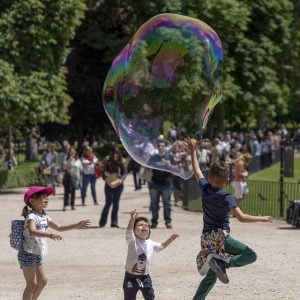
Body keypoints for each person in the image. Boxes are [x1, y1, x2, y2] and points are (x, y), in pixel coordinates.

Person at [184, 137, 272, 300]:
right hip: (221, 238)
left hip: (206, 238)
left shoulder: (205, 188)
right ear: (227, 181)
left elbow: (197, 170)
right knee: (251, 255)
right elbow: (241, 217)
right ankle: (224, 263)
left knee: (211, 276)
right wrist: (261, 218)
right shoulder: (226, 196)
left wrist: (193, 152)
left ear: (209, 177)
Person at [19, 186, 90, 300]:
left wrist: (77, 225)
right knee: (31, 285)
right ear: (32, 201)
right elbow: (32, 231)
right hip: (28, 253)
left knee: (42, 281)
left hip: (37, 253)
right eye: (43, 197)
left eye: (47, 197)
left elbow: (60, 227)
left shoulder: (44, 216)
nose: (46, 199)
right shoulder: (31, 216)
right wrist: (49, 235)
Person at [123, 209, 179, 300]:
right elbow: (128, 231)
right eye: (140, 225)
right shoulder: (132, 241)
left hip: (145, 277)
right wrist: (132, 219)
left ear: (149, 232)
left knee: (150, 296)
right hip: (130, 277)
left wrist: (170, 239)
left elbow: (161, 246)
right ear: (134, 230)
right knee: (129, 297)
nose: (144, 226)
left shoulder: (150, 243)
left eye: (146, 226)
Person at [148, 139, 177, 229]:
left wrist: (168, 165)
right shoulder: (153, 157)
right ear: (157, 147)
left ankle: (168, 221)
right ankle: (154, 222)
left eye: (163, 146)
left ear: (165, 147)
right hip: (154, 184)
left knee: (167, 204)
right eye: (159, 146)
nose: (161, 147)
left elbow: (176, 169)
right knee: (154, 204)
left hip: (166, 184)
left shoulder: (170, 157)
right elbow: (147, 168)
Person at [99, 148, 127, 228]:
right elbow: (101, 168)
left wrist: (120, 180)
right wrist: (105, 174)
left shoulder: (122, 161)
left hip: (118, 185)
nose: (115, 157)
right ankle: (102, 222)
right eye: (114, 155)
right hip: (108, 184)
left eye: (117, 155)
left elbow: (124, 172)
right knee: (108, 203)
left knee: (116, 203)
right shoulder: (107, 160)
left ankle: (114, 222)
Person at [62, 147, 83, 211]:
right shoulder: (66, 159)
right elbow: (64, 168)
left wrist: (80, 179)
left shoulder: (78, 160)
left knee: (73, 192)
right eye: (71, 151)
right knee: (66, 192)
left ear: (75, 152)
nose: (72, 152)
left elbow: (81, 170)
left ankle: (72, 205)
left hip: (75, 179)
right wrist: (69, 161)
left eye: (73, 151)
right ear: (69, 153)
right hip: (68, 178)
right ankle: (65, 206)